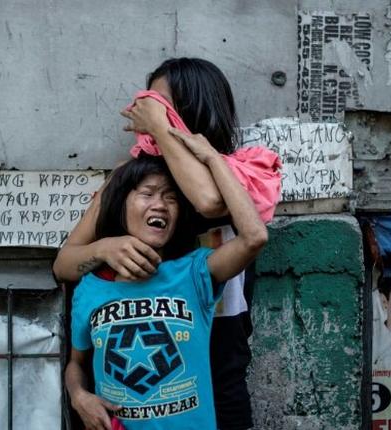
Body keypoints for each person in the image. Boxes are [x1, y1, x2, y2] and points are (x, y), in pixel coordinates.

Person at [54, 58, 280, 430]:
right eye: (148, 105)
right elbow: (63, 264)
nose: (145, 113)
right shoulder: (131, 181)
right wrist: (104, 248)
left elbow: (207, 201)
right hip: (135, 390)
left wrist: (162, 129)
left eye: (159, 105)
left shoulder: (238, 172)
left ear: (191, 109)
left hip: (220, 369)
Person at [65, 152, 268, 429]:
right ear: (120, 206)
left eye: (170, 198)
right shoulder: (90, 288)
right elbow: (76, 363)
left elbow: (254, 238)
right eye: (147, 194)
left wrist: (212, 158)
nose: (160, 204)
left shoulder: (195, 273)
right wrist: (79, 396)